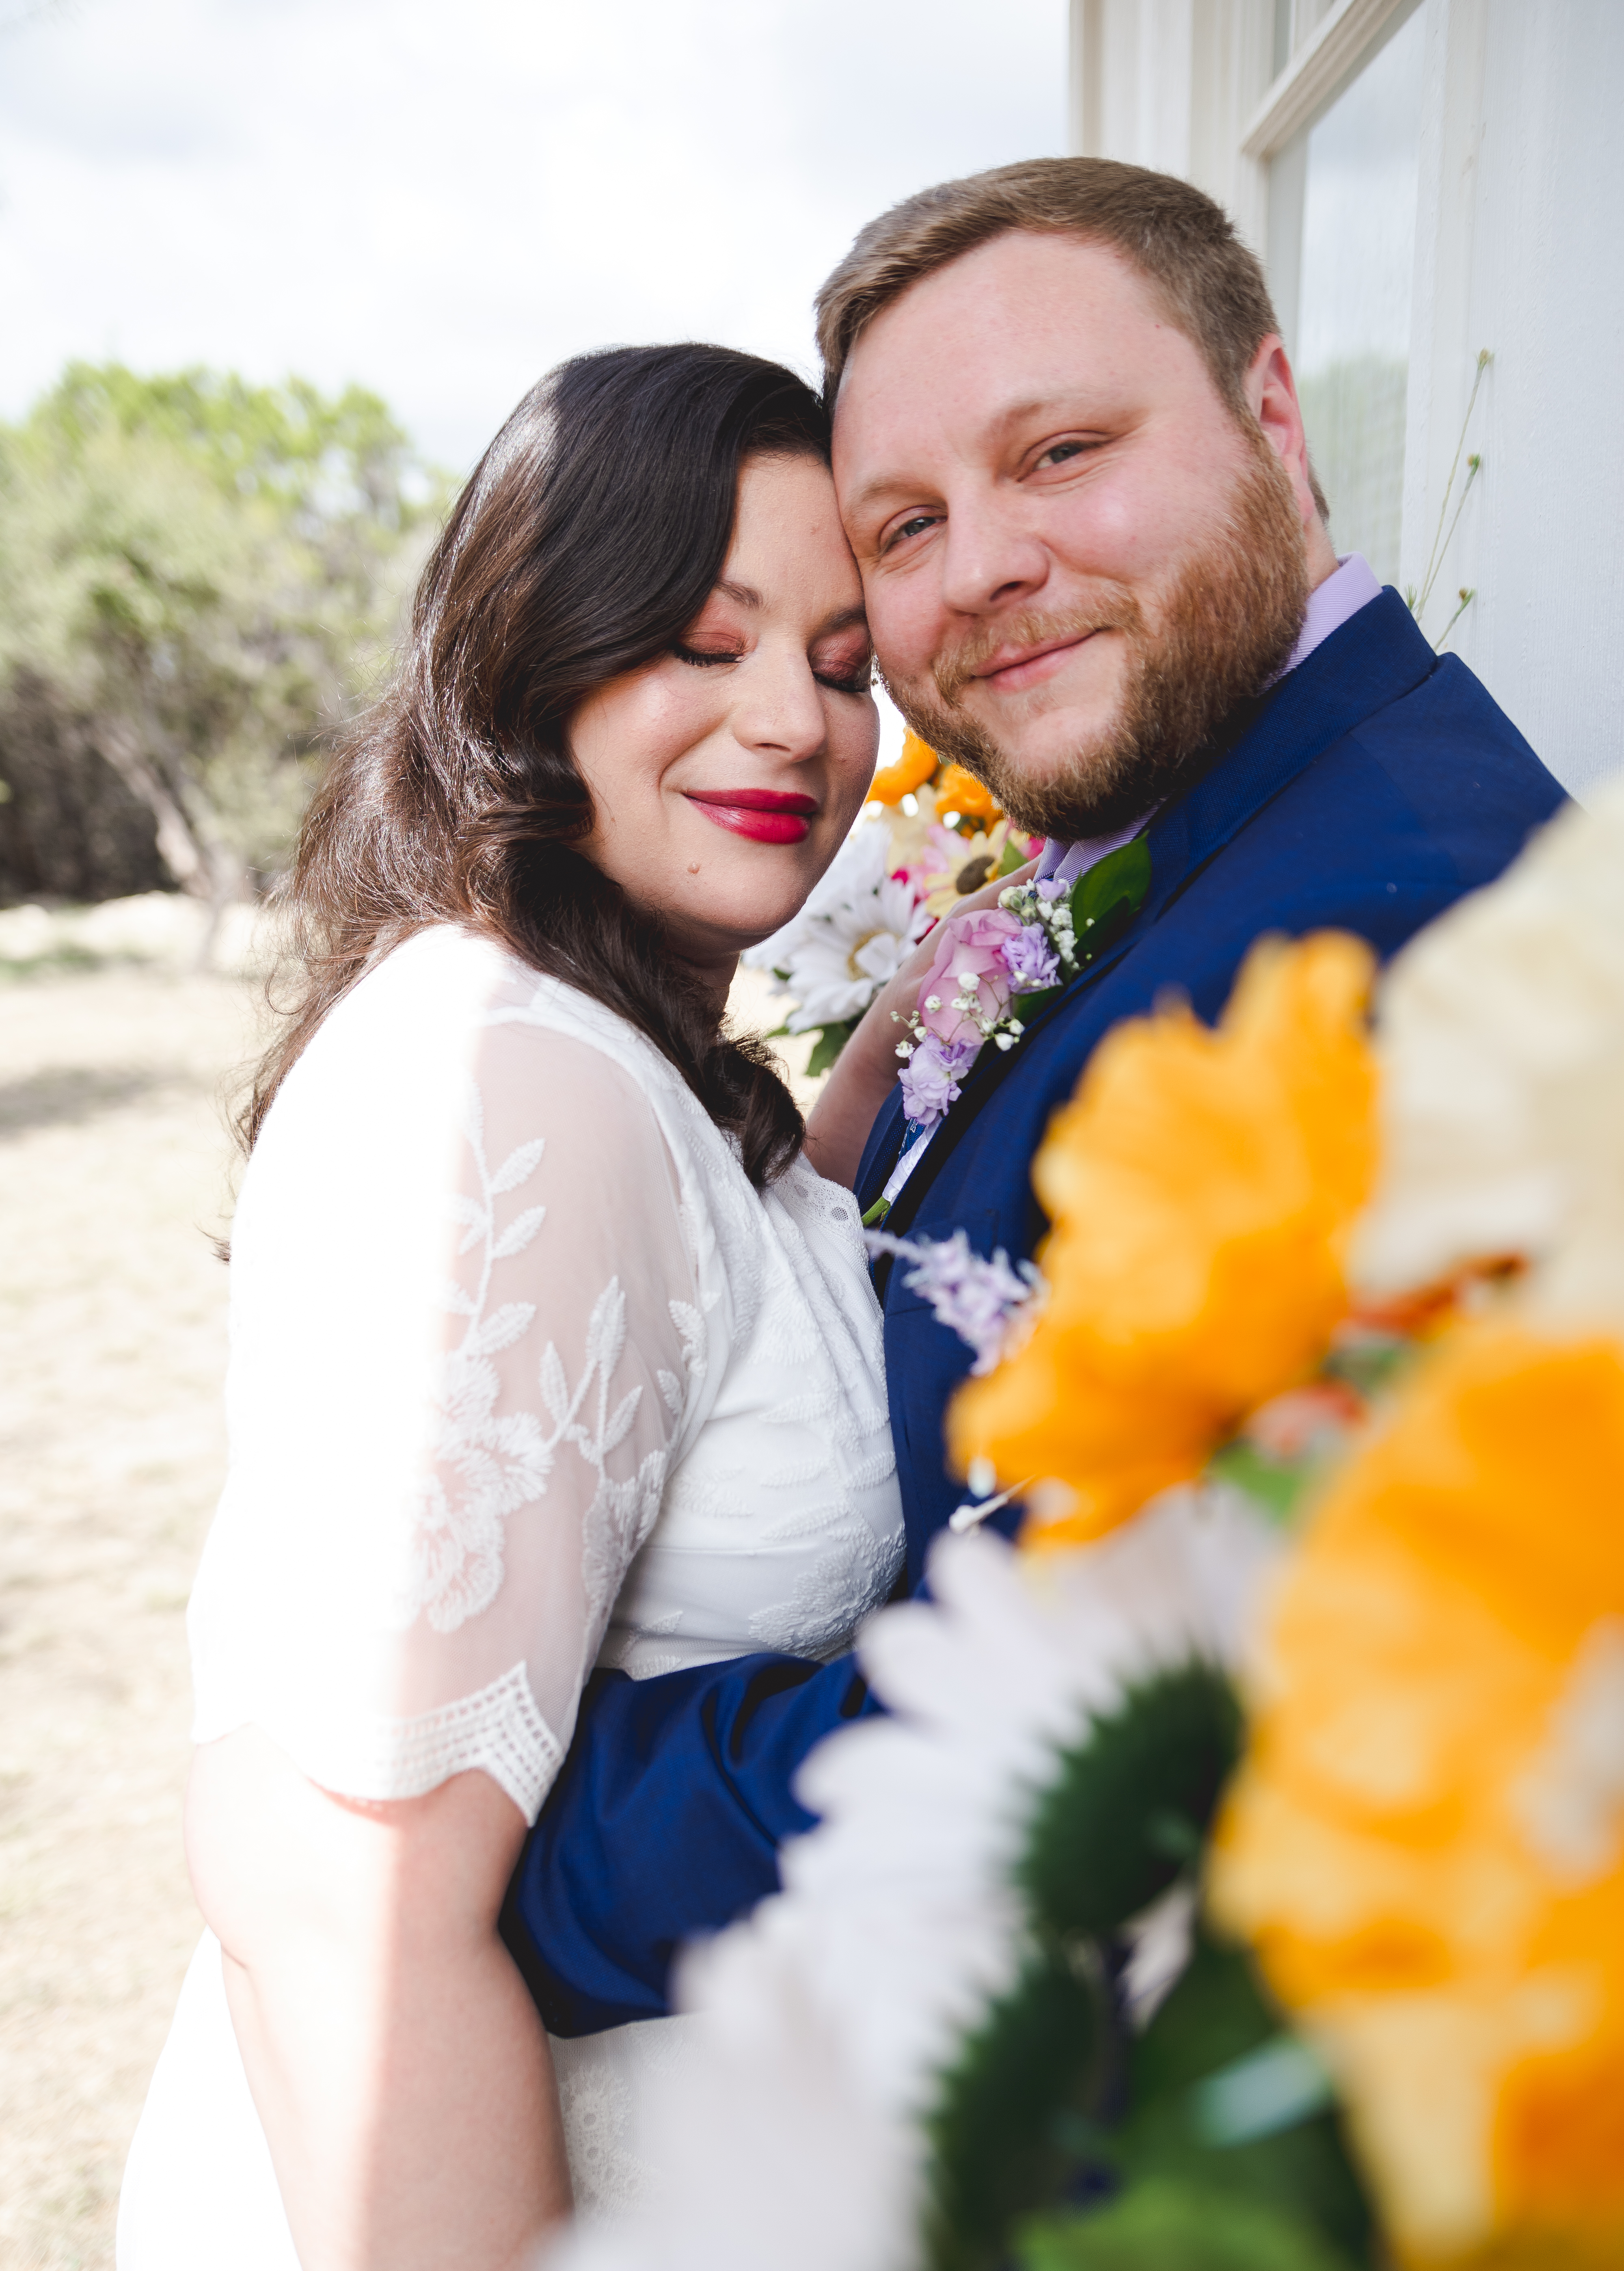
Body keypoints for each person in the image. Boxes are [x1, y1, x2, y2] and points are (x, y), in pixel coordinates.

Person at [502, 158, 1570, 2039]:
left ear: (1269, 414)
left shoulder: (1409, 954)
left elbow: (1093, 1718)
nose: (977, 568)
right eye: (901, 527)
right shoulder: (1181, 843)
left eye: (1061, 451)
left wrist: (504, 1834)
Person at [116, 344, 905, 2271]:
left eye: (842, 661)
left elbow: (693, 1366)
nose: (795, 726)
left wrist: (911, 1050)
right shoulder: (521, 1085)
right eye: (699, 640)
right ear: (532, 651)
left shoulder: (606, 1048)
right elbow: (343, 1896)